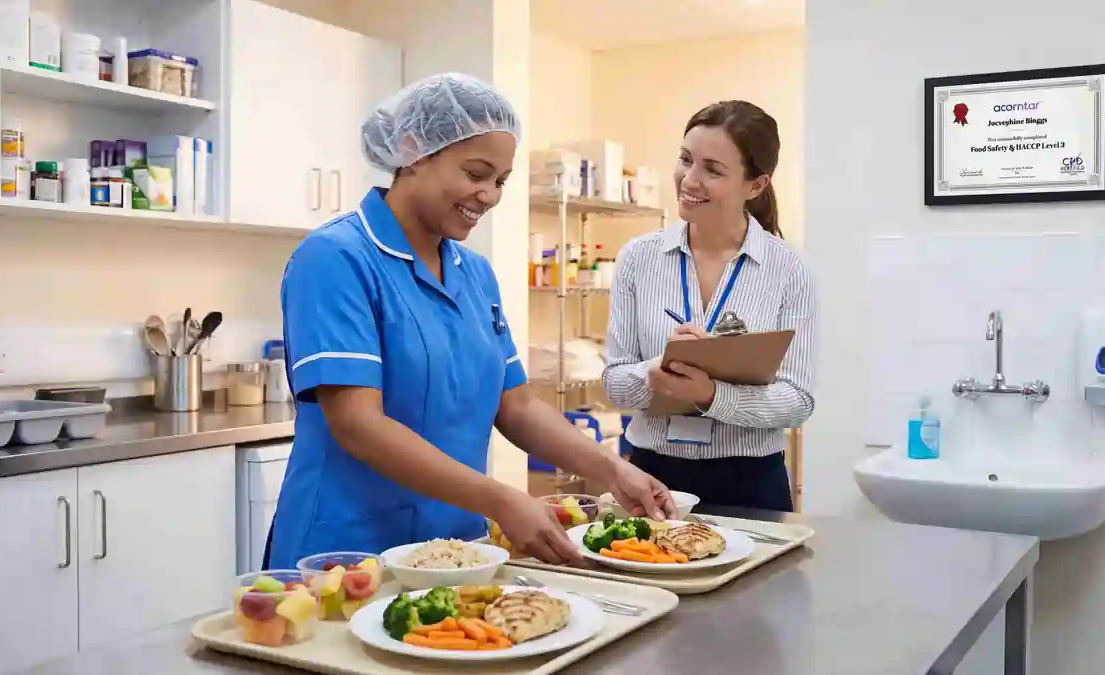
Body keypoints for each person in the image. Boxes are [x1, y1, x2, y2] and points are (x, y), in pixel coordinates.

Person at [266, 73, 676, 569]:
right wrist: (501, 500)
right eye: (476, 173)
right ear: (414, 151)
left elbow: (517, 406)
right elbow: (358, 424)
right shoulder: (335, 258)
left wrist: (612, 470)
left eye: (500, 181)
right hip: (348, 552)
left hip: (455, 550)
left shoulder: (474, 274)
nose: (489, 195)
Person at [602, 100, 817, 512]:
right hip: (651, 475)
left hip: (751, 481)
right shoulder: (638, 258)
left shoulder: (788, 269)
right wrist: (656, 370)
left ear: (755, 186)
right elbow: (614, 384)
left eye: (712, 170)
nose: (689, 179)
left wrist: (712, 395)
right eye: (685, 160)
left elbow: (797, 399)